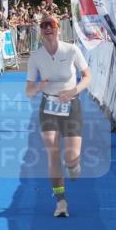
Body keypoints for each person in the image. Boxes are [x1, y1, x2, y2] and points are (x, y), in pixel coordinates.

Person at [25, 14, 92, 218]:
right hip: (49, 106)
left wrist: (74, 91)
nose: (48, 28)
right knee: (53, 154)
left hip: (71, 104)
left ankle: (73, 164)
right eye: (43, 25)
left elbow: (87, 77)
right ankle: (61, 201)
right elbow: (29, 91)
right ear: (40, 30)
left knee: (70, 157)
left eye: (51, 25)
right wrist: (39, 87)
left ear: (58, 28)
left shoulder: (71, 50)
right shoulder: (36, 56)